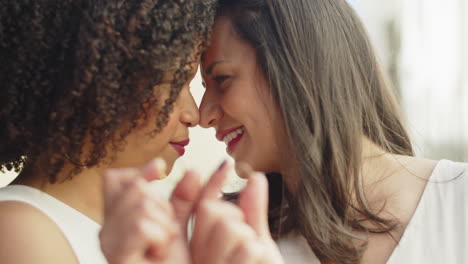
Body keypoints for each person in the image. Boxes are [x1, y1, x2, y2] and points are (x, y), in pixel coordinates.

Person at [100, 0, 467, 263]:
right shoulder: (222, 242)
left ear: (298, 68)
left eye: (222, 79)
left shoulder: (458, 201)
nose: (205, 114)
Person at [0, 0, 216, 263]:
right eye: (173, 83)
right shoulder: (20, 230)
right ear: (95, 81)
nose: (193, 115)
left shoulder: (136, 226)